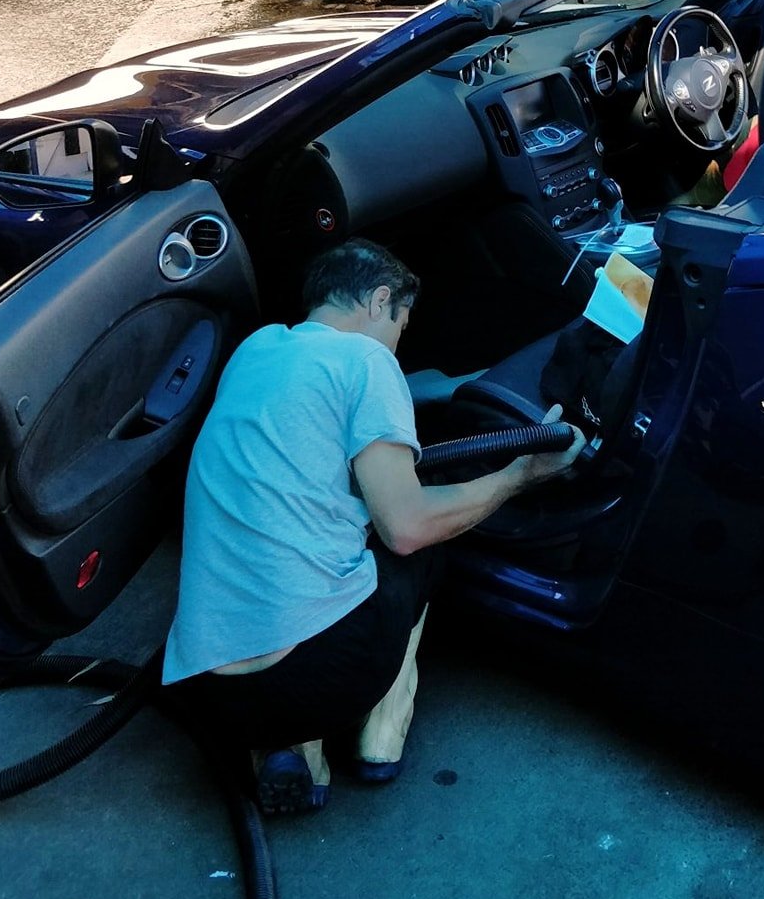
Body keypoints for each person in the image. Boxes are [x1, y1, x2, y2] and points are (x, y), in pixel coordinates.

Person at [163, 238, 584, 814]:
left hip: (206, 689)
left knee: (306, 546)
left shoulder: (256, 350)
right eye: (401, 327)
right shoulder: (366, 361)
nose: (396, 346)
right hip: (319, 677)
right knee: (424, 545)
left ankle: (293, 755)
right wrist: (520, 476)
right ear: (381, 300)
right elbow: (407, 526)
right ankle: (378, 739)